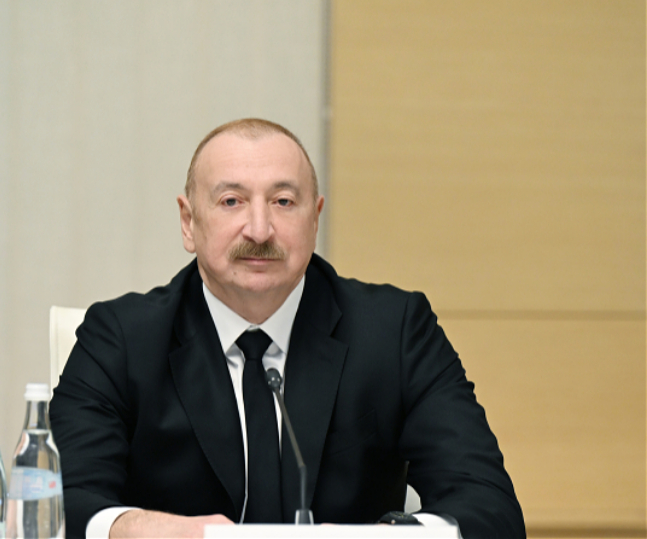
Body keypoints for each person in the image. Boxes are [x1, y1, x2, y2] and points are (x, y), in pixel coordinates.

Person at [50, 118, 526, 539]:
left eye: (283, 201)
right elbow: (58, 504)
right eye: (231, 201)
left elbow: (490, 509)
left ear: (314, 219)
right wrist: (146, 530)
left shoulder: (396, 332)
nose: (259, 230)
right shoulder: (121, 339)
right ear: (189, 222)